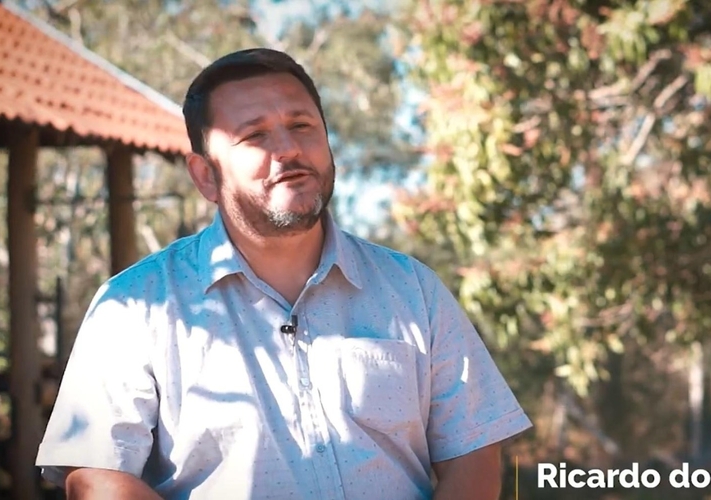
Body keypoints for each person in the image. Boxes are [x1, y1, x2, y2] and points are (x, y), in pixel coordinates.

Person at [35, 48, 532, 500]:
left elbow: (473, 456)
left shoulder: (414, 290)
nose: (288, 150)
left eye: (302, 126)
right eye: (254, 136)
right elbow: (96, 477)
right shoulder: (134, 306)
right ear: (206, 175)